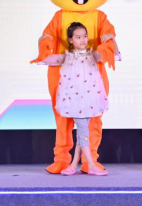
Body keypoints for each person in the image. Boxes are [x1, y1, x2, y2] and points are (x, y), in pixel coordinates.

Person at [38, 22, 109, 176]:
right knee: (83, 133)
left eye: (85, 36)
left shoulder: (92, 55)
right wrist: (42, 44)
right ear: (70, 40)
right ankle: (92, 166)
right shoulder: (67, 57)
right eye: (78, 37)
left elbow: (112, 55)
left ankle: (72, 165)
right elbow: (46, 59)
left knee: (82, 135)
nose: (83, 40)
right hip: (75, 102)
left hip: (89, 101)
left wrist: (110, 43)